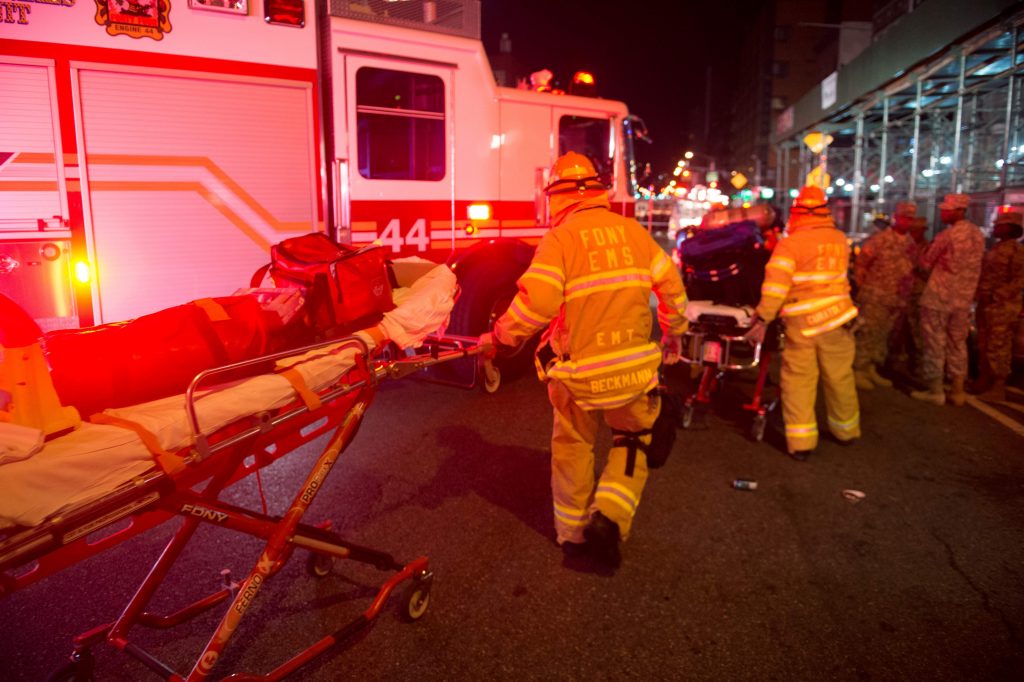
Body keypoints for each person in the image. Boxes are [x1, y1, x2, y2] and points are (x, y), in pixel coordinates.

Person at [481, 152, 689, 568]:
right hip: (633, 371)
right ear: (597, 190)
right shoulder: (633, 232)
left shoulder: (560, 239)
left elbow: (536, 304)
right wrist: (674, 335)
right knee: (632, 441)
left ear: (556, 197)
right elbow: (671, 288)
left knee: (573, 447)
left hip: (577, 373)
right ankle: (610, 516)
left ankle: (573, 536)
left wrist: (500, 337)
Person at [748, 185, 860, 460]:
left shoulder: (791, 243)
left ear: (797, 212)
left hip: (803, 323)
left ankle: (801, 444)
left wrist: (763, 317)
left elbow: (775, 287)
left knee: (799, 381)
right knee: (840, 378)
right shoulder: (838, 238)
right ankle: (846, 431)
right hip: (838, 319)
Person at [910, 193, 985, 406]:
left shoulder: (948, 235)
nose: (942, 212)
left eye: (946, 210)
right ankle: (958, 390)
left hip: (939, 298)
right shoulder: (978, 235)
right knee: (958, 342)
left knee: (934, 341)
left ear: (959, 211)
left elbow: (925, 263)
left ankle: (935, 390)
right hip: (963, 300)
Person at [852, 202, 916, 390]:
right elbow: (862, 263)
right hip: (875, 295)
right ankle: (859, 369)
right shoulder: (881, 239)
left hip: (896, 298)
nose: (907, 221)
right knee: (868, 332)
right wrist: (864, 287)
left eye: (910, 218)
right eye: (904, 217)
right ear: (896, 217)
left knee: (882, 335)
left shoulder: (910, 243)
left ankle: (872, 366)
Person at [972, 210, 1024, 401]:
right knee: (985, 344)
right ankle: (984, 379)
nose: (994, 226)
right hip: (987, 306)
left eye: (999, 224)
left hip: (1002, 308)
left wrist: (997, 295)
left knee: (999, 346)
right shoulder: (996, 248)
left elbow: (1019, 280)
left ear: (1010, 228)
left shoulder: (1017, 251)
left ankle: (998, 385)